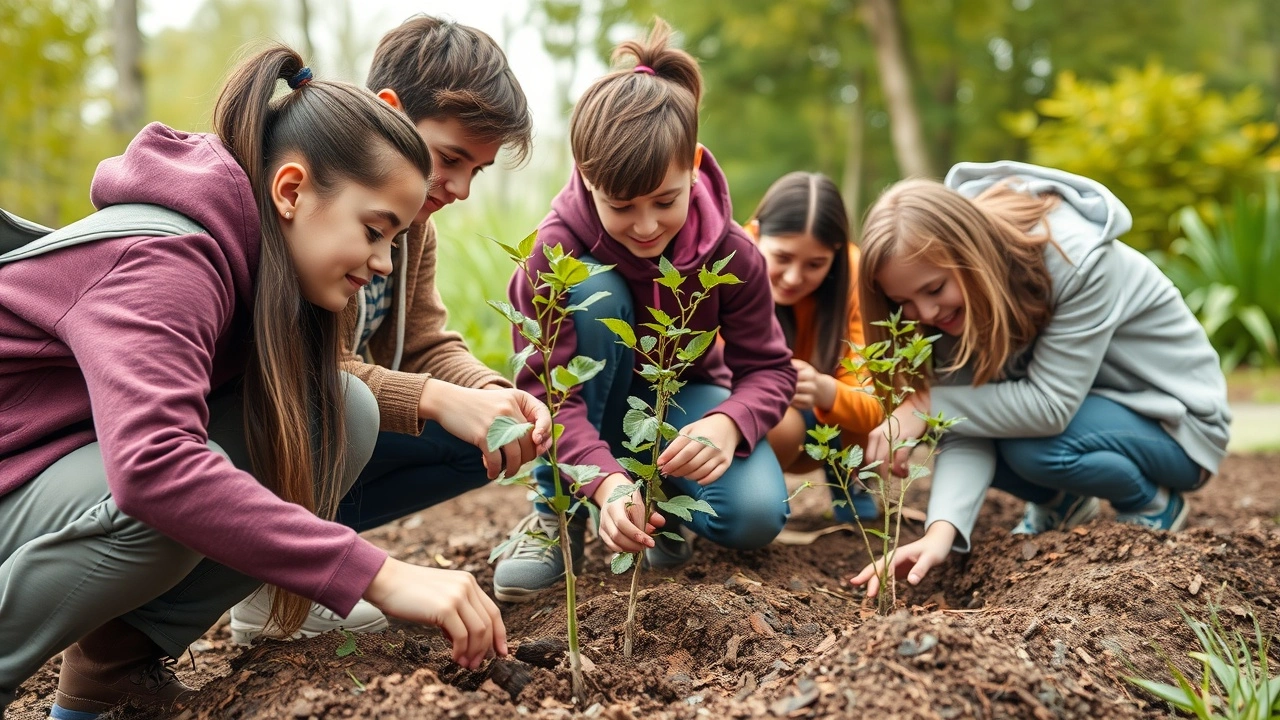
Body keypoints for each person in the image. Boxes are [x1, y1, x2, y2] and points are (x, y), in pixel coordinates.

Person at [0, 47, 506, 720]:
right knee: (168, 494)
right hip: (23, 477)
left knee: (336, 410)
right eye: (376, 232)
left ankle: (110, 684)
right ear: (291, 190)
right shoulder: (167, 259)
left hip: (48, 473)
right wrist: (377, 574)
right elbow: (154, 465)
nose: (385, 262)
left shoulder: (270, 263)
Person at [227, 16, 551, 645]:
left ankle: (318, 548)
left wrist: (488, 391)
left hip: (318, 432)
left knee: (479, 435)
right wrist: (435, 397)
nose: (457, 188)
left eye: (476, 172)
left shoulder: (411, 227)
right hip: (248, 432)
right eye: (450, 158)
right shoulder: (305, 208)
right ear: (391, 114)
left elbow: (428, 338)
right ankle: (276, 582)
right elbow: (287, 366)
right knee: (355, 405)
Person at [490, 19, 797, 602]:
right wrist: (604, 485)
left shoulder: (733, 252)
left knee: (755, 514)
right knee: (596, 292)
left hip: (678, 401)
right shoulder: (553, 253)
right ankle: (557, 514)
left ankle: (664, 510)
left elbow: (771, 370)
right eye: (622, 206)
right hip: (586, 410)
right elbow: (550, 397)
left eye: (665, 200)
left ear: (695, 166)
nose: (648, 225)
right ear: (586, 178)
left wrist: (728, 425)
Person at [848, 161, 1231, 600]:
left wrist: (926, 406)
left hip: (1178, 428)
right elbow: (968, 416)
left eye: (935, 290)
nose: (926, 314)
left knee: (1031, 442)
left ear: (970, 254)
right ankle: (1064, 503)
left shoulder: (1077, 259)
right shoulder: (955, 309)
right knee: (988, 419)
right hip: (1090, 414)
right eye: (904, 302)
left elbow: (1048, 408)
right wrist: (940, 532)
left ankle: (1152, 504)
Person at [745, 172, 883, 522]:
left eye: (815, 265)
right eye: (782, 257)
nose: (793, 278)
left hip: (833, 420)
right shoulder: (728, 264)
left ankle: (849, 479)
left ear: (835, 255)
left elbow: (874, 403)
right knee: (783, 425)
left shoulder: (857, 276)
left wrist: (825, 389)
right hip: (765, 414)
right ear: (757, 233)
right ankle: (753, 491)